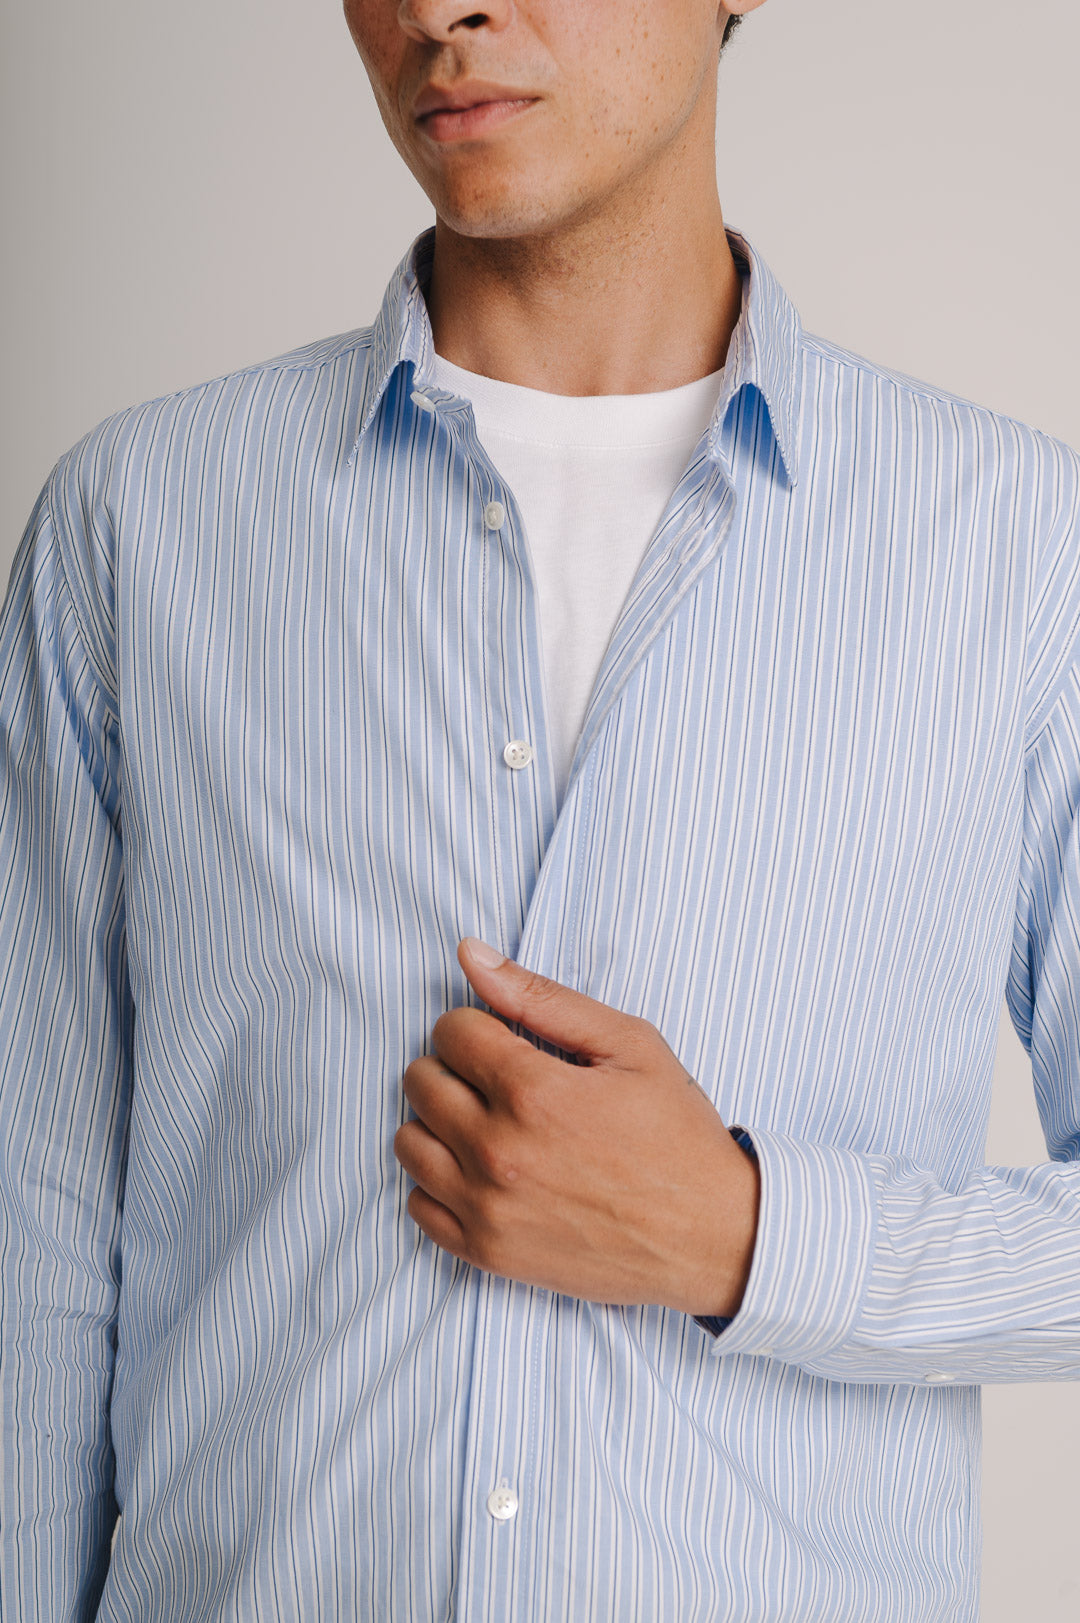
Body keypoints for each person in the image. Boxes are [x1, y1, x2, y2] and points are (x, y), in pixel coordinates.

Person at [2, 0, 1079, 1618]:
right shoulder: (135, 531)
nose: (442, 11)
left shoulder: (1019, 557)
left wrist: (748, 1235)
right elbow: (33, 1244)